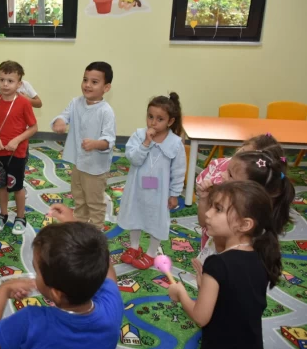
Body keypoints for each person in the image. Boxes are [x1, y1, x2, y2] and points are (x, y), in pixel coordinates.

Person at [168, 181, 282, 349]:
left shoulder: (217, 264)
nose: (208, 213)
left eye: (218, 209)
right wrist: (204, 286)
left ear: (244, 224)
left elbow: (200, 317)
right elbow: (236, 299)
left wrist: (180, 293)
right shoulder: (262, 256)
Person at [0, 222, 122, 349]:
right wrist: (81, 240)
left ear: (56, 294)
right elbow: (106, 266)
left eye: (37, 271)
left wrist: (3, 289)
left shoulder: (31, 321)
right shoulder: (112, 304)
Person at [118, 93, 186, 269]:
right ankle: (134, 247)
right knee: (135, 214)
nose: (153, 122)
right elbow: (134, 159)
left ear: (170, 121)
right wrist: (146, 143)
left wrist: (174, 194)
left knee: (157, 220)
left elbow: (178, 171)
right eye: (150, 117)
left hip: (160, 192)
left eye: (160, 119)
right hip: (137, 188)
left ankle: (151, 253)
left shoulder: (175, 143)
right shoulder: (139, 135)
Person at [194, 148, 294, 268]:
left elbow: (221, 252)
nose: (222, 174)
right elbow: (204, 223)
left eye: (230, 175)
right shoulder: (227, 201)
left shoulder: (237, 219)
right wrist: (205, 198)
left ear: (251, 188)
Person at [51, 61, 116, 229]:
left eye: (94, 82)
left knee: (94, 202)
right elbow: (64, 115)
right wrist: (60, 121)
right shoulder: (76, 103)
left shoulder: (106, 111)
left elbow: (109, 140)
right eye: (85, 80)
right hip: (78, 163)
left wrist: (96, 143)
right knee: (79, 197)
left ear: (106, 87)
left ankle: (96, 232)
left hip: (95, 168)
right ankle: (80, 228)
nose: (87, 85)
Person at [0, 61, 37, 235]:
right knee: (1, 185)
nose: (5, 84)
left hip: (17, 153)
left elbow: (33, 128)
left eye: (10, 81)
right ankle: (3, 214)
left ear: (19, 84)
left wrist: (17, 140)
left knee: (16, 186)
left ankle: (20, 217)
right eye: (2, 80)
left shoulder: (24, 103)